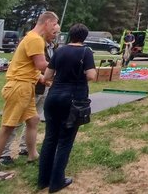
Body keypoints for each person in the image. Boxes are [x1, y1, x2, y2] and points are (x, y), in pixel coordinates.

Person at [0, 11, 59, 182]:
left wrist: (43, 79)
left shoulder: (31, 37)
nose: (55, 28)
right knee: (8, 127)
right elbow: (40, 64)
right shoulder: (35, 39)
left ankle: (32, 155)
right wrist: (63, 64)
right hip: (19, 87)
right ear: (47, 22)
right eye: (54, 24)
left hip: (27, 85)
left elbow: (29, 67)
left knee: (33, 120)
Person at [38, 23, 96, 193]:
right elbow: (91, 75)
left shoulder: (59, 51)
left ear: (70, 35)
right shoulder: (86, 52)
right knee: (65, 141)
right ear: (84, 37)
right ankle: (57, 181)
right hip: (73, 100)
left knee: (50, 138)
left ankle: (43, 180)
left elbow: (47, 76)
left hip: (53, 96)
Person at [0, 23, 60, 165]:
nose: (55, 36)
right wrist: (61, 72)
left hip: (38, 87)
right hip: (24, 86)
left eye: (57, 33)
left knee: (33, 120)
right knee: (13, 123)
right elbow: (40, 65)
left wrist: (47, 80)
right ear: (46, 29)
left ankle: (26, 149)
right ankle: (4, 154)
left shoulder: (52, 47)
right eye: (54, 32)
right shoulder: (36, 42)